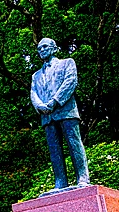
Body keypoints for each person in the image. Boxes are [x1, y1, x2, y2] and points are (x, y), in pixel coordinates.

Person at [30, 38, 90, 192]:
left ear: (54, 48)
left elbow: (70, 82)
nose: (41, 50)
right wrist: (40, 106)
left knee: (74, 144)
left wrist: (55, 101)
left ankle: (82, 178)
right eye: (39, 48)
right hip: (47, 115)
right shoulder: (35, 75)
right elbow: (34, 93)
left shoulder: (67, 63)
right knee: (54, 149)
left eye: (44, 47)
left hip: (66, 110)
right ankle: (60, 182)